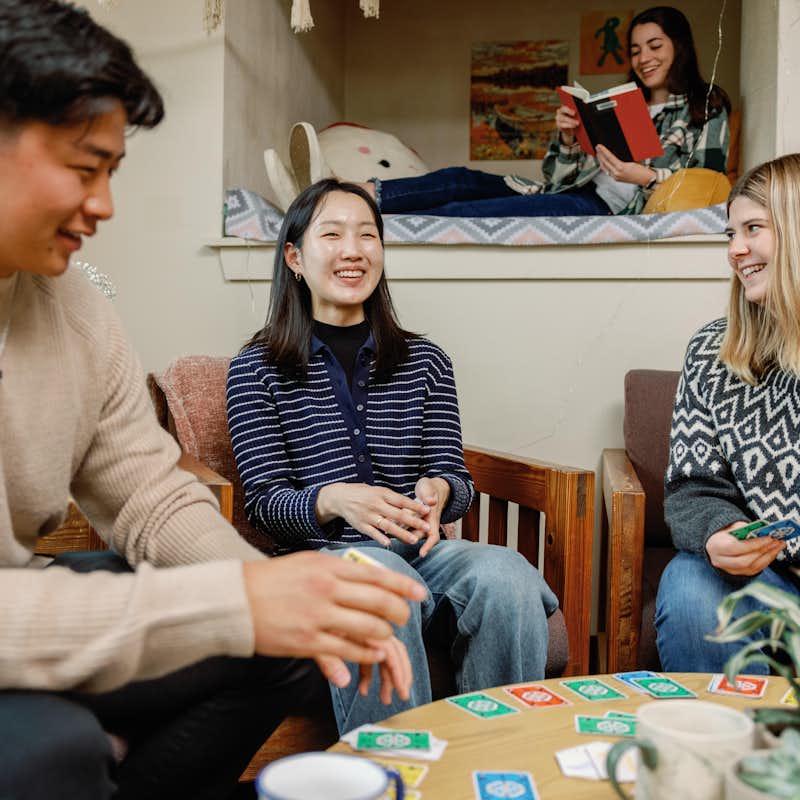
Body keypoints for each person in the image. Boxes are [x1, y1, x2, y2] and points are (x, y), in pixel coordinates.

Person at [0, 3, 427, 799]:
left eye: (112, 173)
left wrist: (267, 594)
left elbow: (154, 499)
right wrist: (231, 601)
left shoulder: (78, 311)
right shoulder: (262, 364)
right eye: (83, 167)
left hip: (29, 589)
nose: (105, 206)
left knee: (294, 640)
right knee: (48, 748)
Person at [226, 177, 559, 734]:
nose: (353, 250)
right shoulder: (256, 368)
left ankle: (496, 759)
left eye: (367, 235)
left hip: (421, 553)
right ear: (295, 258)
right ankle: (396, 777)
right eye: (331, 234)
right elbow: (263, 505)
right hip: (320, 562)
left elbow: (454, 475)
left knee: (508, 573)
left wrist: (441, 491)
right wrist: (333, 500)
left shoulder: (425, 360)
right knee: (375, 576)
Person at [295, 6, 728, 218]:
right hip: (567, 190)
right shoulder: (620, 103)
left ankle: (349, 214)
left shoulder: (706, 106)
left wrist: (645, 176)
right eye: (635, 50)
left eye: (655, 46)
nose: (644, 58)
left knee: (467, 213)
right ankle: (345, 190)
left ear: (679, 46)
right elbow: (557, 179)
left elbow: (708, 183)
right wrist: (565, 137)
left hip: (604, 207)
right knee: (459, 179)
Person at [654, 152, 800, 672]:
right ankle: (729, 751)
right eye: (730, 234)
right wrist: (718, 533)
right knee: (690, 587)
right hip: (768, 583)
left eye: (753, 229)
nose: (736, 251)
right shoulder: (712, 351)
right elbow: (693, 487)